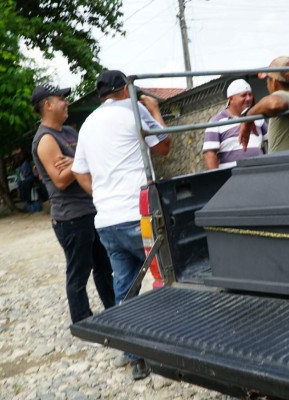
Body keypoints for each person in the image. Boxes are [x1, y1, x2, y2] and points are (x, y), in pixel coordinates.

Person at [71, 70, 171, 380]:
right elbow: (164, 146)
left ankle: (133, 356)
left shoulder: (87, 125)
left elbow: (79, 171)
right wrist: (155, 111)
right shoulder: (134, 109)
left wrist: (101, 195)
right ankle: (170, 351)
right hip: (138, 214)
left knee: (124, 287)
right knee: (164, 279)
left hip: (107, 219)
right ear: (122, 90)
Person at [30, 83, 115, 325]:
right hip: (71, 218)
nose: (66, 102)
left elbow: (87, 163)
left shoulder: (69, 132)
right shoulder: (46, 139)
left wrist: (76, 162)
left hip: (92, 210)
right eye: (61, 99)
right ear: (47, 105)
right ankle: (82, 321)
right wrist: (80, 160)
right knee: (79, 273)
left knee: (103, 266)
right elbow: (60, 180)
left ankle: (114, 310)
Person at [202, 79, 268, 169]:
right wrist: (218, 179)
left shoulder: (258, 119)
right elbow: (210, 154)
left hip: (259, 174)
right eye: (243, 95)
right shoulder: (216, 122)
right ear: (231, 99)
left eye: (250, 94)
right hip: (233, 178)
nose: (248, 98)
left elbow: (270, 142)